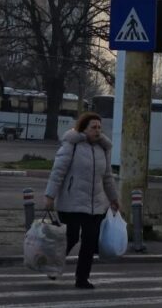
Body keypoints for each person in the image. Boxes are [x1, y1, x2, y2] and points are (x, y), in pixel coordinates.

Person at [44, 111, 120, 289]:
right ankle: (54, 267)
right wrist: (49, 196)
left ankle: (82, 278)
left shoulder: (103, 148)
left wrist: (114, 199)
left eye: (99, 127)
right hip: (72, 202)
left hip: (95, 205)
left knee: (90, 241)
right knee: (70, 238)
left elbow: (107, 177)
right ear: (83, 129)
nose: (97, 131)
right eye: (93, 127)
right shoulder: (72, 145)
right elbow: (58, 172)